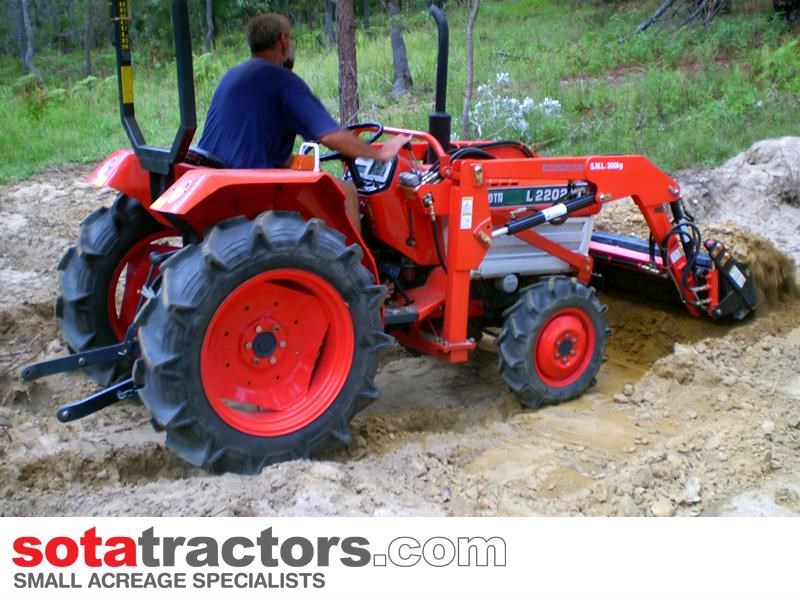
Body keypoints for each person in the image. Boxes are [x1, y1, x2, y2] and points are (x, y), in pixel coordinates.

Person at [198, 13, 410, 235]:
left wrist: (296, 162)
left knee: (317, 176)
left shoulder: (233, 75)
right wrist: (380, 154)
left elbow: (249, 137)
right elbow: (330, 136)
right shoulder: (281, 80)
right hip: (248, 186)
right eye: (290, 39)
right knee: (347, 192)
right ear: (282, 41)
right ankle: (356, 267)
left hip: (220, 178)